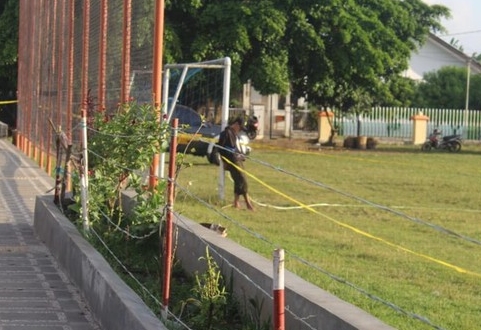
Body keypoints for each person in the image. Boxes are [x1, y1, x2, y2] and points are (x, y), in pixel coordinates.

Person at [218, 116, 254, 210]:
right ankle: (248, 203)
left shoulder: (235, 134)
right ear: (236, 124)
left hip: (238, 160)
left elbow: (236, 148)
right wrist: (224, 161)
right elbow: (221, 149)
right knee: (242, 180)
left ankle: (236, 202)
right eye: (240, 128)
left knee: (239, 181)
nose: (240, 130)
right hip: (231, 161)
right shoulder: (226, 133)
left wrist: (241, 155)